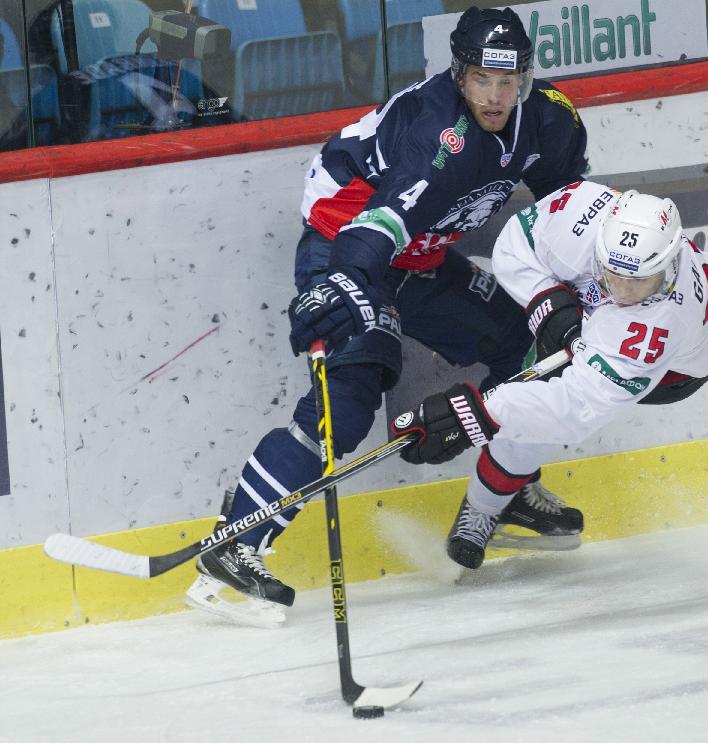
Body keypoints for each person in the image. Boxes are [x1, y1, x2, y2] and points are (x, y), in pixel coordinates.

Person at [185, 7, 589, 625]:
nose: (497, 96)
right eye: (483, 79)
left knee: (527, 346)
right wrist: (342, 280)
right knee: (345, 403)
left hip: (419, 258)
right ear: (460, 75)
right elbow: (376, 226)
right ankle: (237, 544)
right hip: (347, 243)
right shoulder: (439, 138)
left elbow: (571, 203)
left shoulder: (547, 121)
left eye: (510, 82)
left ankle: (506, 492)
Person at [390, 182, 708, 569]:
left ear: (669, 264)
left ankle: (484, 507)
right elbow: (516, 243)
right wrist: (549, 304)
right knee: (535, 396)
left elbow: (572, 411)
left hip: (675, 373)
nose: (624, 290)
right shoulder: (585, 210)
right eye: (613, 274)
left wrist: (478, 415)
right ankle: (497, 500)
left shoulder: (658, 328)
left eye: (638, 281)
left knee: (542, 410)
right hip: (619, 322)